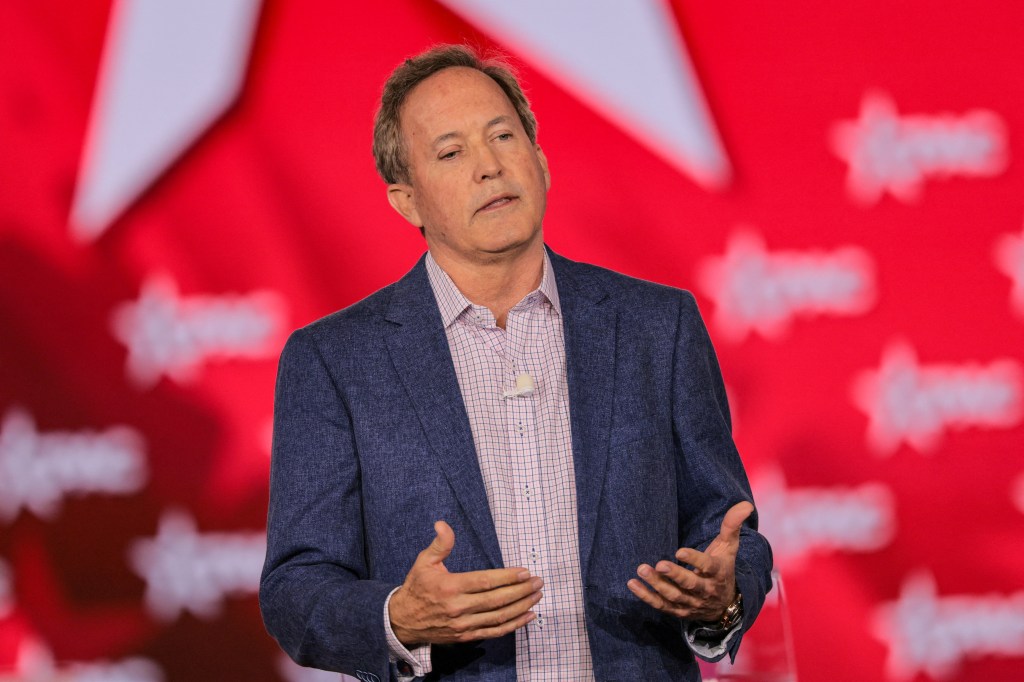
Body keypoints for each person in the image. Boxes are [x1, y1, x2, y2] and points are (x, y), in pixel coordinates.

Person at [260, 44, 773, 682]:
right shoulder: (335, 361)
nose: (489, 166)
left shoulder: (656, 327)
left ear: (540, 160)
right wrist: (400, 616)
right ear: (406, 201)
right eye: (451, 153)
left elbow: (728, 530)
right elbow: (297, 587)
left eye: (503, 136)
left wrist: (723, 597)